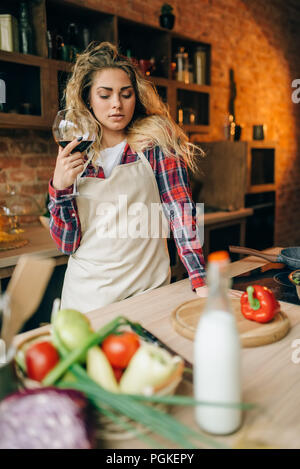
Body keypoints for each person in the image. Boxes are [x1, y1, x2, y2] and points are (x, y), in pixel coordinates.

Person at [48, 41, 206, 314]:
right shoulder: (76, 151)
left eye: (126, 94)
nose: (117, 105)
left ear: (137, 96)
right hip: (86, 302)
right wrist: (60, 188)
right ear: (88, 99)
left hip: (146, 297)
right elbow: (67, 244)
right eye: (105, 95)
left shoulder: (155, 142)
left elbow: (180, 210)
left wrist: (200, 280)